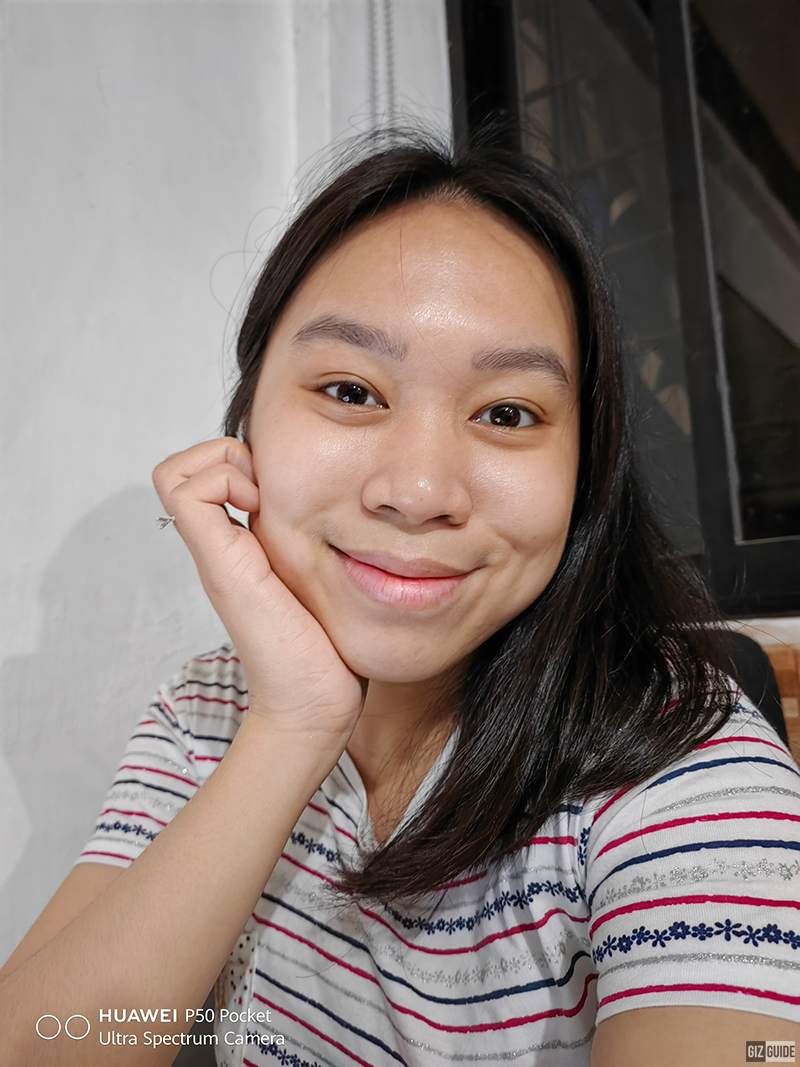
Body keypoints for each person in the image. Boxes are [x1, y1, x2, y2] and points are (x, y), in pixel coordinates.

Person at [2, 132, 799, 1066]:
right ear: (247, 423)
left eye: (507, 412)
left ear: (583, 470)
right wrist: (293, 725)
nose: (419, 491)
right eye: (351, 390)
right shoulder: (204, 715)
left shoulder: (680, 770)